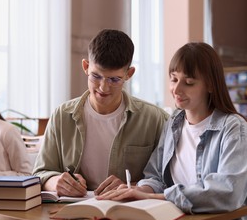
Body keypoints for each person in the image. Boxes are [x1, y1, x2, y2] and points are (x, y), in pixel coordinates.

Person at [97, 42, 247, 220]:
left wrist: (155, 198)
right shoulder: (174, 122)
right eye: (173, 79)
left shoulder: (234, 128)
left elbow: (227, 193)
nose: (176, 90)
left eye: (188, 82)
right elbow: (155, 175)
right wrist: (138, 190)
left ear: (210, 85)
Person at [33, 29, 169, 197]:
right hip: (72, 214)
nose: (103, 88)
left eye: (114, 79)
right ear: (85, 67)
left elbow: (171, 179)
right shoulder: (61, 116)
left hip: (130, 214)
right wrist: (55, 182)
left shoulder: (155, 119)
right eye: (96, 76)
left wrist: (132, 187)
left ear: (129, 74)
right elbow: (39, 174)